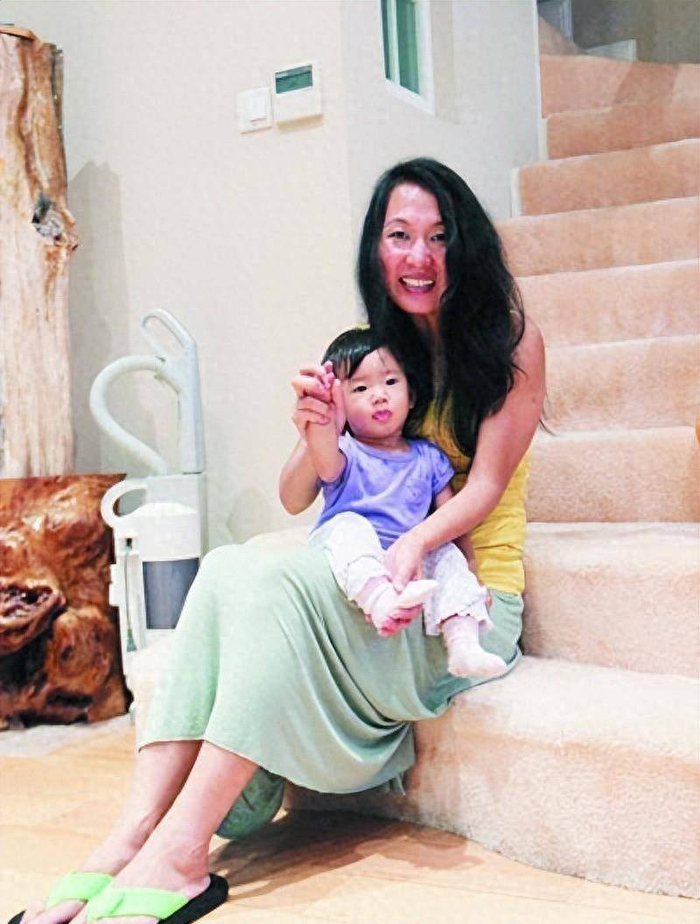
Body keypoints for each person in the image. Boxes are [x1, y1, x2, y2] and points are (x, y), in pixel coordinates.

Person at [14, 158, 544, 924]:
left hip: (458, 596)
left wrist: (411, 546)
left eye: (439, 237)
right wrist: (312, 428)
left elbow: (485, 487)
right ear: (375, 248)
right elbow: (297, 494)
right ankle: (132, 834)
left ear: (468, 246)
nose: (420, 256)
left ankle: (182, 851)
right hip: (376, 576)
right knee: (229, 568)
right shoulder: (376, 351)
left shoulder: (511, 343)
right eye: (400, 235)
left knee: (280, 588)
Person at [299, 327, 506, 678]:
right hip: (349, 554)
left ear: (411, 395)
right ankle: (380, 601)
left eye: (391, 382)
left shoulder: (429, 457)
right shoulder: (345, 451)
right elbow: (325, 463)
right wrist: (321, 420)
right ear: (341, 405)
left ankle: (464, 646)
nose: (379, 396)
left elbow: (451, 520)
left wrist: (470, 569)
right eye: (361, 389)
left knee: (446, 554)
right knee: (349, 526)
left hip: (406, 558)